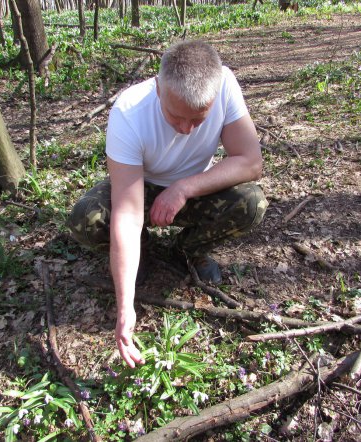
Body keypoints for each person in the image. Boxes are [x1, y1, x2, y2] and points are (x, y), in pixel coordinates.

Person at [67, 40, 268, 368]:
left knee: (251, 204)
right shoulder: (129, 112)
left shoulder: (225, 84)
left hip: (195, 188)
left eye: (198, 120)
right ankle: (140, 252)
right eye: (177, 117)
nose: (187, 129)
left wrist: (185, 187)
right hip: (139, 187)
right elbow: (128, 213)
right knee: (87, 219)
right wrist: (125, 307)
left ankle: (188, 250)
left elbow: (250, 161)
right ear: (159, 88)